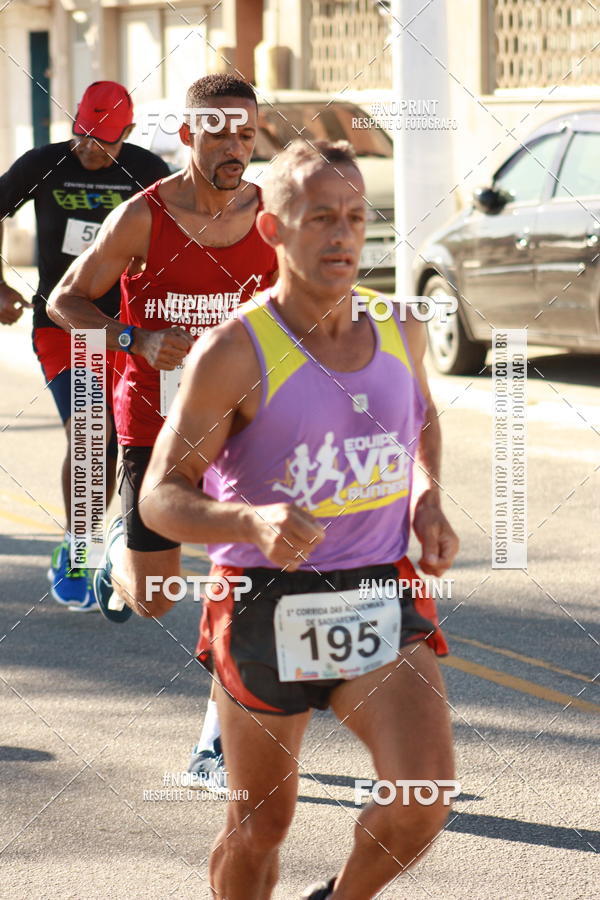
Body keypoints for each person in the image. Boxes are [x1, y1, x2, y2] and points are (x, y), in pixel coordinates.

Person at [139, 139, 460, 899]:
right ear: (273, 229)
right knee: (261, 828)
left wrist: (427, 497)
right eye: (320, 217)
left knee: (422, 796)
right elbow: (159, 495)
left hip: (377, 587)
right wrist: (249, 522)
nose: (342, 235)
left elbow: (420, 420)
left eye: (355, 216)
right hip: (263, 598)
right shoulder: (234, 351)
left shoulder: (400, 328)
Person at [47, 75, 277, 784]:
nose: (235, 147)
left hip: (246, 424)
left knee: (246, 577)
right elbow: (64, 301)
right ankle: (118, 547)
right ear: (187, 135)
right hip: (156, 419)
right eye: (219, 133)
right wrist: (134, 337)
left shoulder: (272, 216)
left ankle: (215, 742)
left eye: (247, 134)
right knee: (153, 598)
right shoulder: (142, 217)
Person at [0, 81, 169, 610]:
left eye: (104, 141)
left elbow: (183, 235)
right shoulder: (43, 163)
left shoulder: (147, 171)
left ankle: (104, 538)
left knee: (121, 444)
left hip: (133, 332)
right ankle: (78, 550)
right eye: (83, 136)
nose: (90, 149)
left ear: (128, 133)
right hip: (64, 324)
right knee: (91, 430)